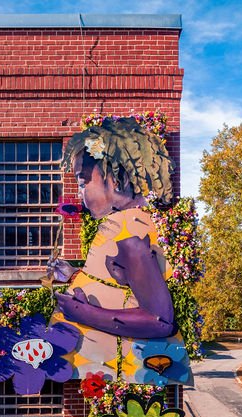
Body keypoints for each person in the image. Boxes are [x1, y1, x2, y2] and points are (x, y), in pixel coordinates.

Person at [48, 118, 190, 387]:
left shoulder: (131, 234)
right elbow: (119, 281)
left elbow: (160, 321)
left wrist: (82, 313)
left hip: (126, 367)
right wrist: (74, 275)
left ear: (117, 179)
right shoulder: (120, 225)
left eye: (82, 183)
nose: (79, 196)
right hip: (108, 364)